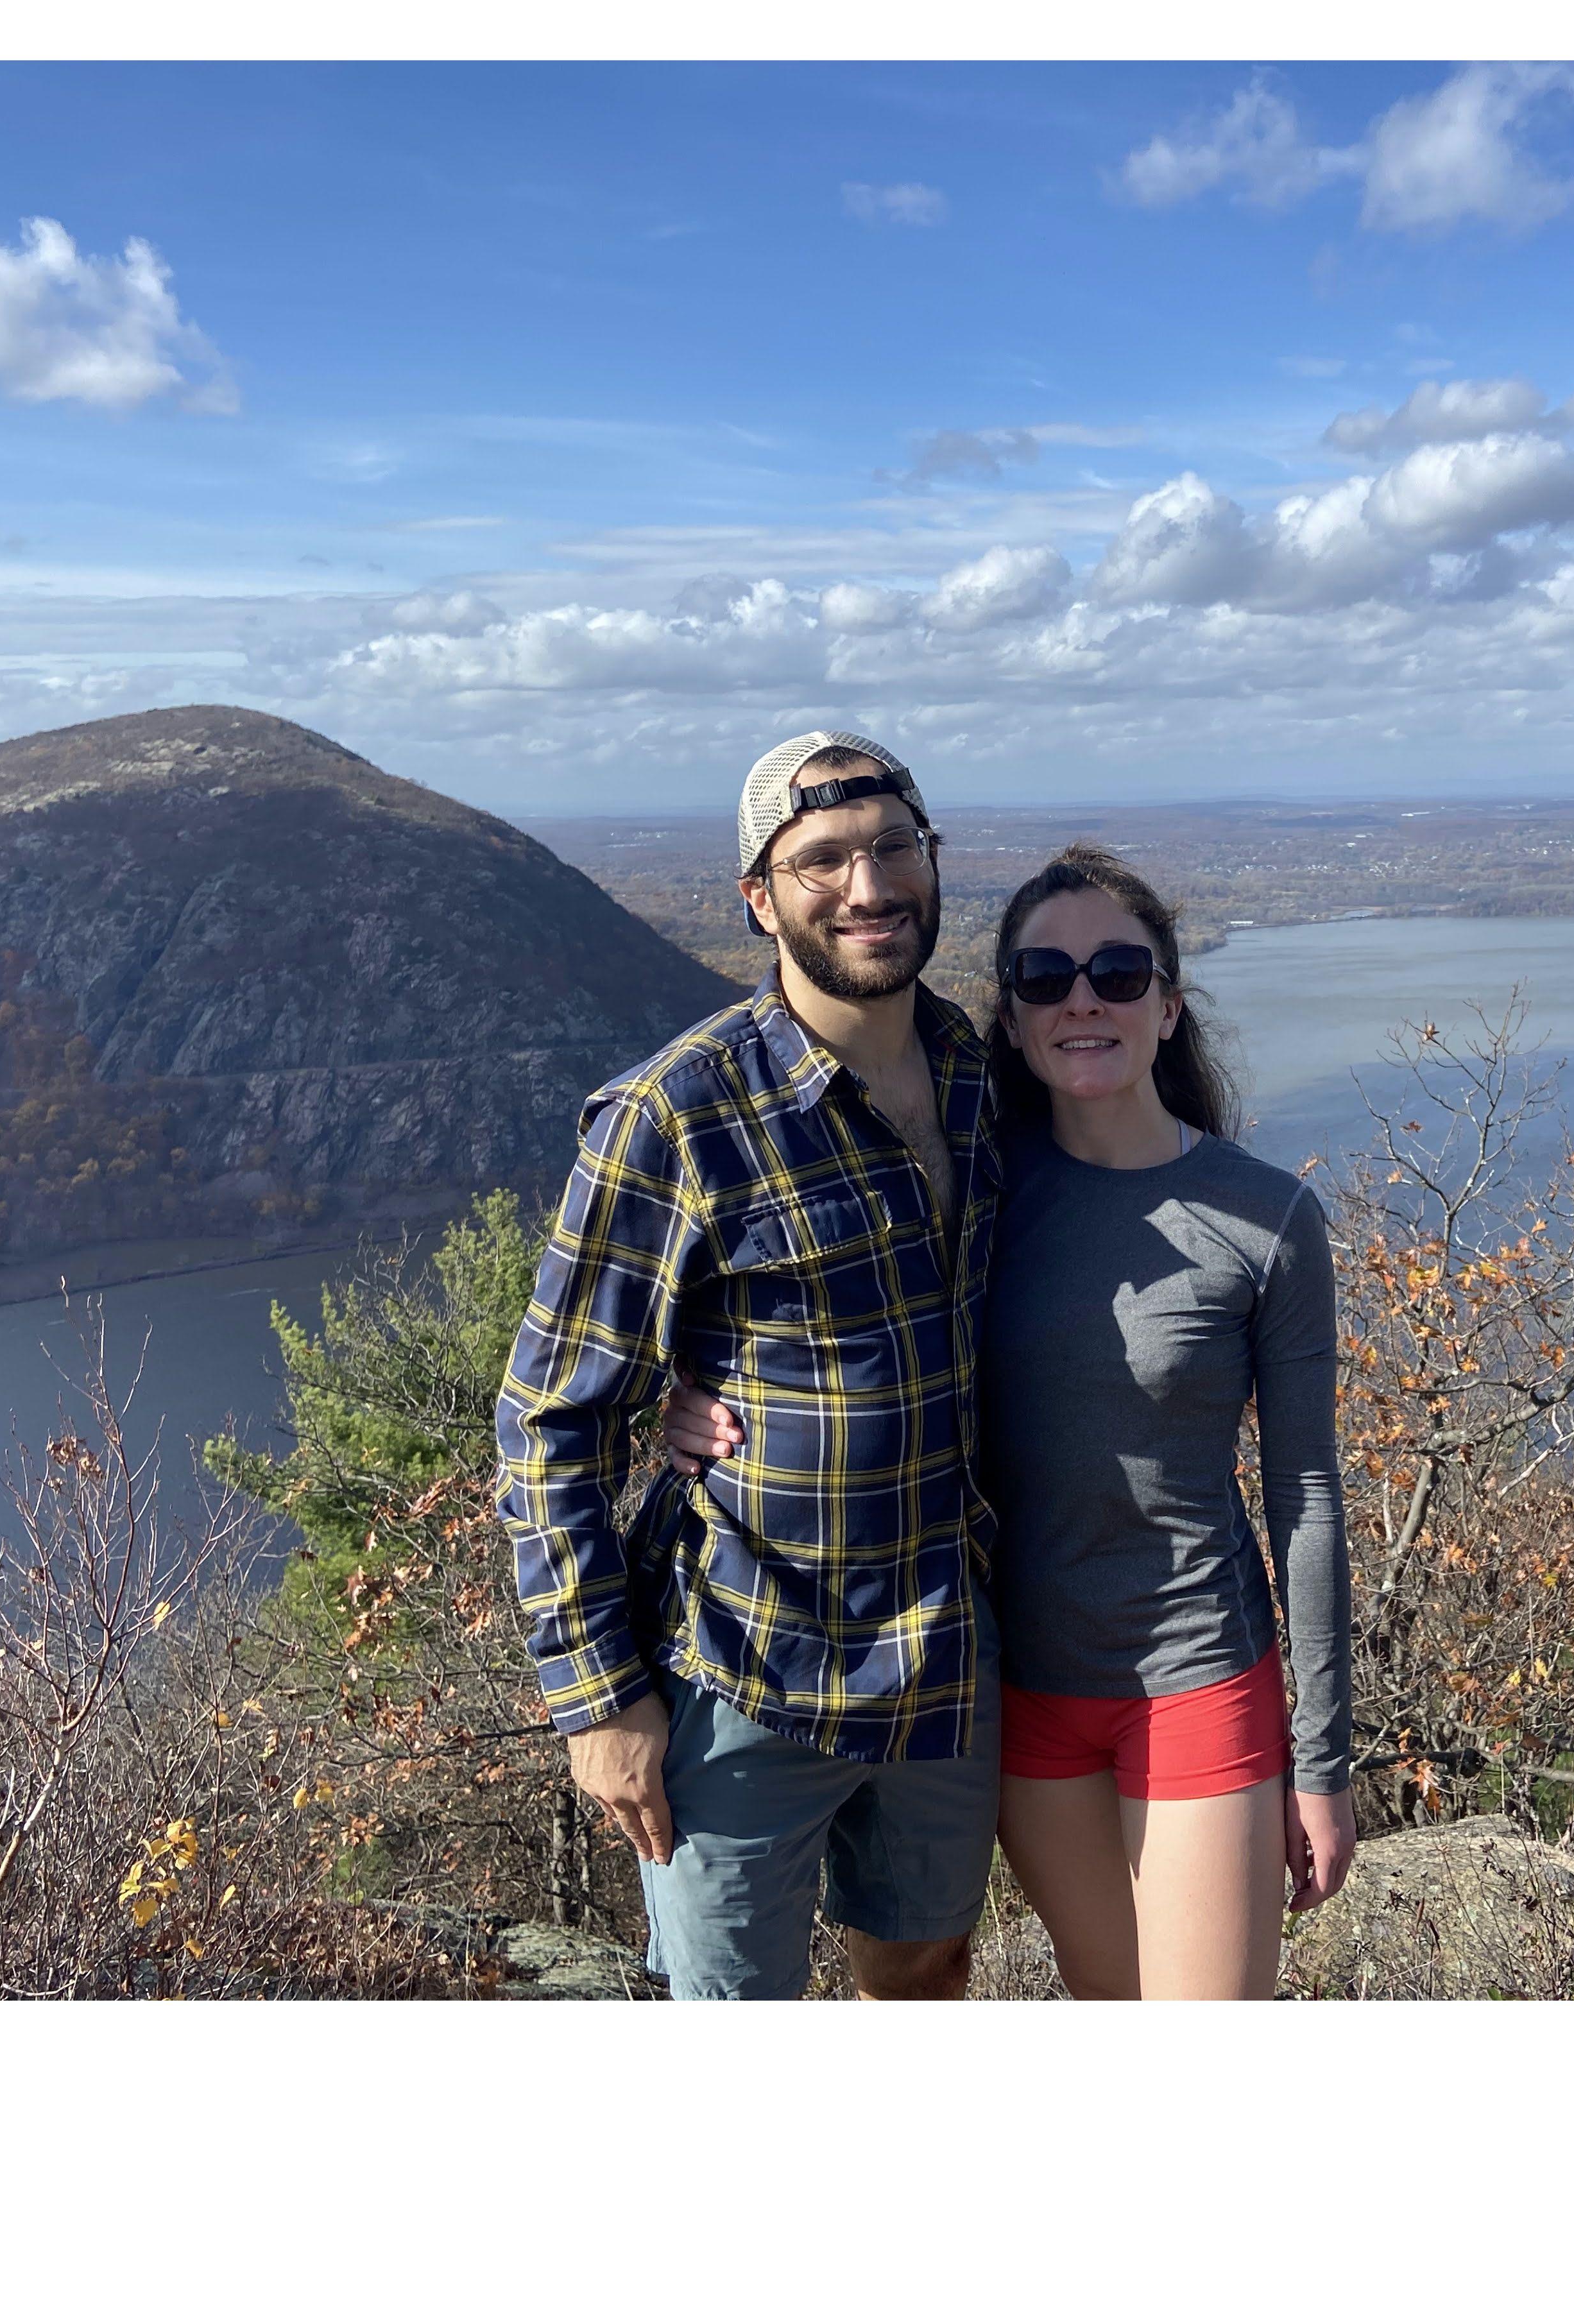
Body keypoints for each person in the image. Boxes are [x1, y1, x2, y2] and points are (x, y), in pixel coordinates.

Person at [665, 842, 1355, 1997]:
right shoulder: (970, 1189)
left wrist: (1324, 1764)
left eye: (1119, 973)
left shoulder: (1267, 1218)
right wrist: (688, 1400)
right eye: (1044, 976)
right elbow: (825, 1324)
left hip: (1197, 1674)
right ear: (1016, 1015)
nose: (1082, 997)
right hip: (1016, 1690)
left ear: (1171, 1005)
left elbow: (1310, 1501)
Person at [494, 728, 1004, 2001]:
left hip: (948, 1661)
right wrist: (599, 1703)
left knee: (927, 1975)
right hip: (747, 1674)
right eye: (822, 859)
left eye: (894, 847)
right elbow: (548, 1421)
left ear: (932, 864)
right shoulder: (677, 1117)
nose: (869, 885)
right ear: (760, 898)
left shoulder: (985, 1080)